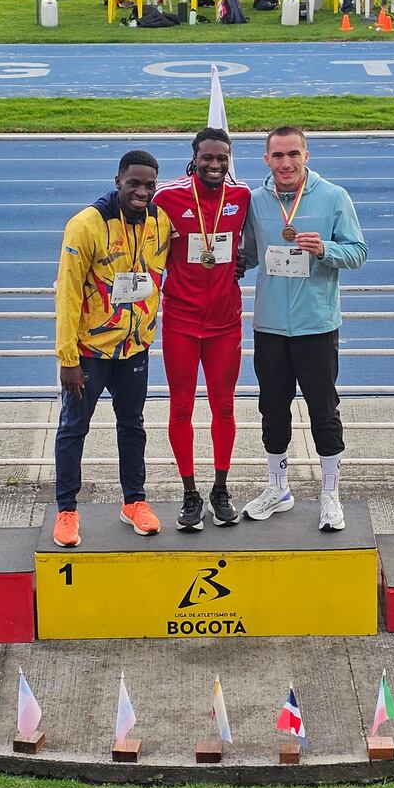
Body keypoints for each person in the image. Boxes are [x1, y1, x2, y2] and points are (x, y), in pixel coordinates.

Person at [241, 128, 367, 532]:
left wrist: (326, 250)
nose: (286, 163)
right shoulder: (255, 202)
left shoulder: (334, 197)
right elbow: (245, 254)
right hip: (271, 327)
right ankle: (278, 489)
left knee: (323, 411)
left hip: (316, 325)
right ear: (266, 160)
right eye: (277, 156)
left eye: (293, 154)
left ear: (306, 155)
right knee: (272, 409)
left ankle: (330, 494)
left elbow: (358, 252)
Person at [52, 151, 171, 548]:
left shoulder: (160, 221)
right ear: (118, 180)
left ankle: (134, 502)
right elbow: (67, 295)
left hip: (135, 348)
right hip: (88, 352)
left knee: (133, 426)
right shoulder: (86, 225)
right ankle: (67, 510)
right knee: (73, 428)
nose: (141, 191)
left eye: (149, 185)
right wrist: (68, 359)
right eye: (133, 183)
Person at [154, 129, 251, 532]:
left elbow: (257, 240)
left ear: (229, 160)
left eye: (222, 159)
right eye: (207, 158)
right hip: (180, 321)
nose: (215, 165)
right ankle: (190, 493)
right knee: (180, 408)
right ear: (194, 159)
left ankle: (221, 490)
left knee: (224, 407)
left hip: (225, 324)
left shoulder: (242, 196)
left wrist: (246, 261)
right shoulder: (167, 197)